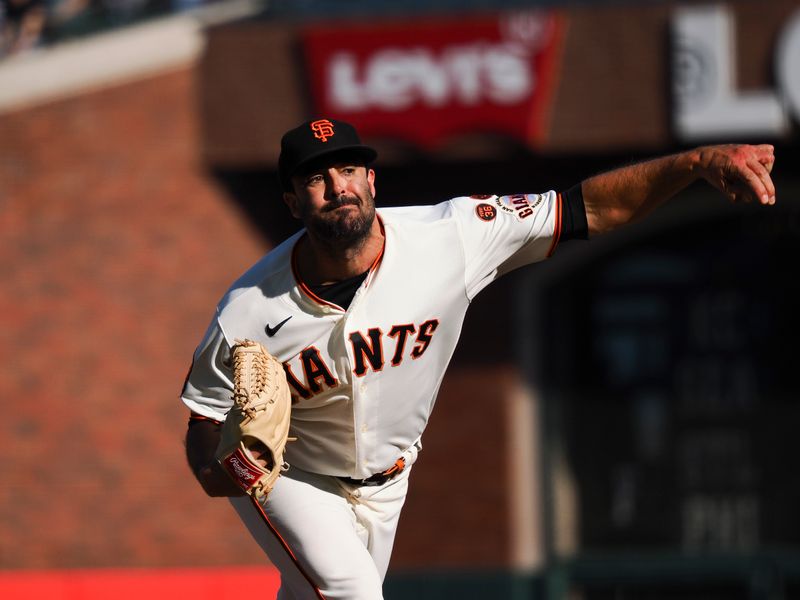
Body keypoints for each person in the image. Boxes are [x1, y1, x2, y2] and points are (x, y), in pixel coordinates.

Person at [181, 117, 776, 600]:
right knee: (351, 591)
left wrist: (693, 164)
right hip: (295, 473)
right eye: (315, 179)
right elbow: (203, 431)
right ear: (291, 201)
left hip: (390, 477)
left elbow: (588, 211)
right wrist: (236, 470)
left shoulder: (451, 236)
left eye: (347, 168)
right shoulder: (248, 309)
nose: (338, 186)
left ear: (371, 179)